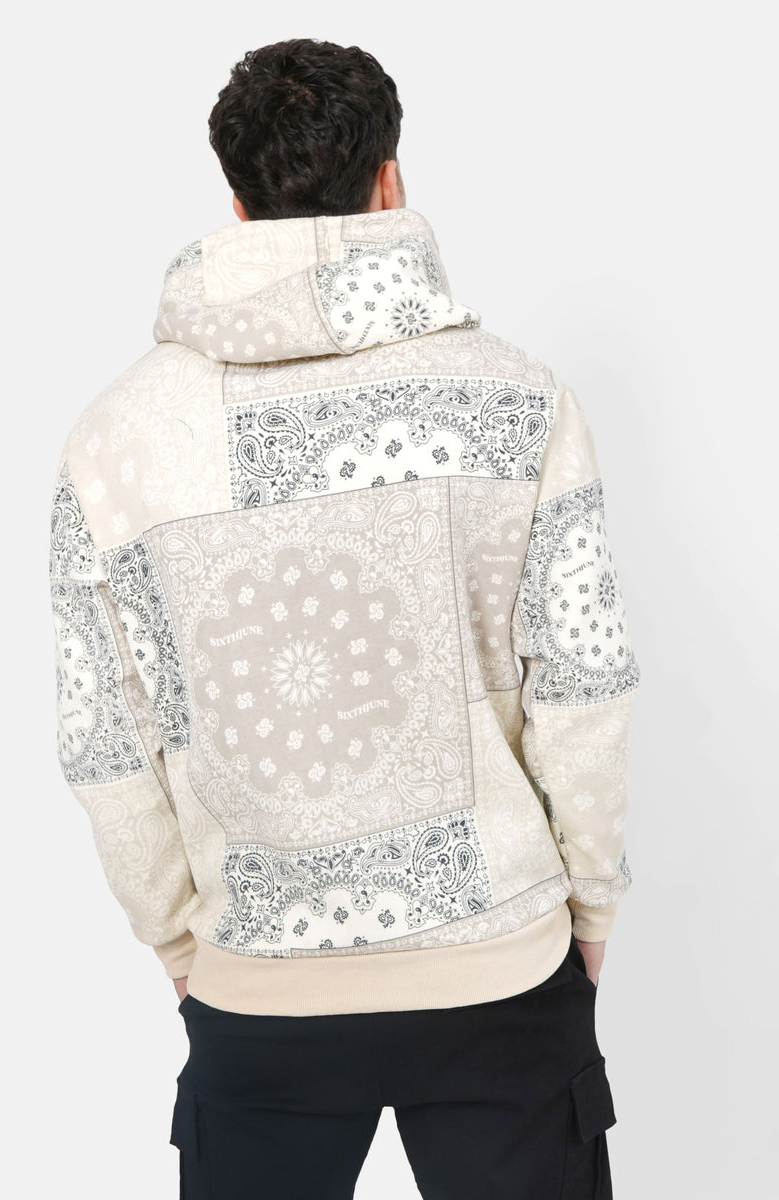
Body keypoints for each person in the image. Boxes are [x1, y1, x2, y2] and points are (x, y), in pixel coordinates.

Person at [48, 36, 642, 1199]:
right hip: (497, 970)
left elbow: (105, 739)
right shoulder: (517, 398)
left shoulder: (114, 441)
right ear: (388, 180)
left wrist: (180, 943)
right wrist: (587, 906)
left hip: (256, 987)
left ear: (235, 201)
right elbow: (582, 685)